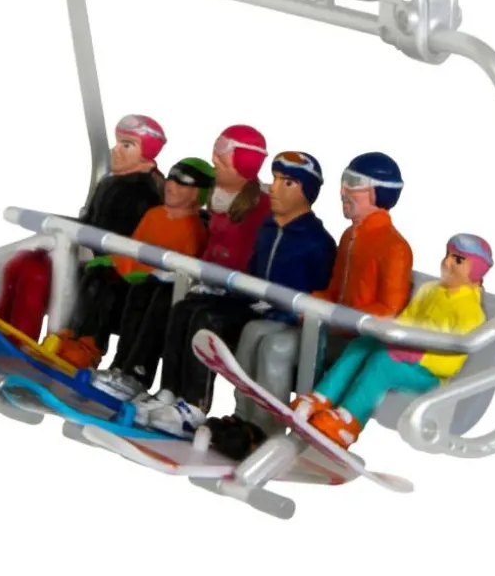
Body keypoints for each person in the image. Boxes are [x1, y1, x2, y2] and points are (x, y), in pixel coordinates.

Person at [111, 150, 335, 439]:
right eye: (276, 179)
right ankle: (170, 392)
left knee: (208, 319)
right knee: (185, 308)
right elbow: (252, 273)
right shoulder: (267, 230)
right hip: (253, 304)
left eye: (288, 183)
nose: (275, 188)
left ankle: (194, 406)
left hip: (285, 319)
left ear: (307, 192)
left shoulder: (317, 241)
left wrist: (289, 312)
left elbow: (321, 293)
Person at [210, 151, 414, 457]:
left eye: (354, 183)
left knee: (278, 346)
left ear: (377, 192)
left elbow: (389, 311)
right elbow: (333, 291)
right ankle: (244, 417)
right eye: (344, 181)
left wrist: (333, 315)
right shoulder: (350, 237)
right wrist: (311, 304)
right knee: (254, 331)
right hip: (328, 326)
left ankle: (267, 431)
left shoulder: (394, 247)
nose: (343, 190)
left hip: (353, 341)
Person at [105, 125, 272, 433]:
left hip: (240, 297)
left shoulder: (260, 208)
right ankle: (166, 390)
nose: (215, 162)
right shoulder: (221, 200)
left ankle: (193, 405)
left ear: (243, 164)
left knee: (202, 318)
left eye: (222, 158)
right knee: (177, 305)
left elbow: (253, 258)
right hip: (211, 285)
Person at [293, 233, 492, 449]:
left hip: (430, 374)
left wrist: (417, 356)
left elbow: (451, 362)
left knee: (384, 363)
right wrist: (389, 337)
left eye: (458, 260)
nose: (447, 262)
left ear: (476, 271)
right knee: (362, 345)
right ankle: (321, 398)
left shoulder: (471, 313)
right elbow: (405, 321)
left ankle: (349, 422)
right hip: (402, 350)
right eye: (448, 255)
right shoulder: (429, 290)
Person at [0, 113, 166, 341]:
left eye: (127, 145)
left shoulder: (145, 193)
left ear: (146, 154)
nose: (116, 150)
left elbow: (129, 243)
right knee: (22, 264)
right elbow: (91, 223)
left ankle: (21, 342)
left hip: (112, 273)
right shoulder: (109, 183)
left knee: (37, 276)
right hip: (87, 256)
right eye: (118, 143)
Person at [45, 157, 215, 368]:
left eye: (182, 183)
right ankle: (70, 335)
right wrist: (112, 261)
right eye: (170, 179)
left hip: (151, 288)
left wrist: (136, 271)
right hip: (131, 275)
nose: (171, 186)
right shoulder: (153, 215)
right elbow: (133, 247)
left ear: (198, 193)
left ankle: (90, 348)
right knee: (94, 275)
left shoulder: (194, 230)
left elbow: (179, 269)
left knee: (110, 291)